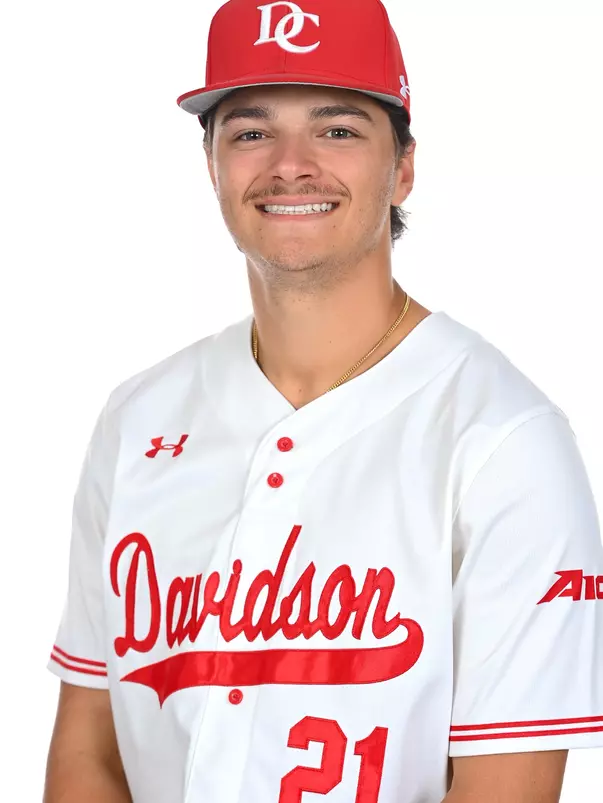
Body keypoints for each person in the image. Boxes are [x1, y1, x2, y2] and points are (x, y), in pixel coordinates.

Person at [43, 0, 603, 801]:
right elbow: (85, 755)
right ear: (212, 165)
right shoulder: (137, 419)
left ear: (402, 166)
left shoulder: (503, 439)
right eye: (249, 131)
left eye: (337, 129)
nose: (290, 163)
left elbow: (505, 787)